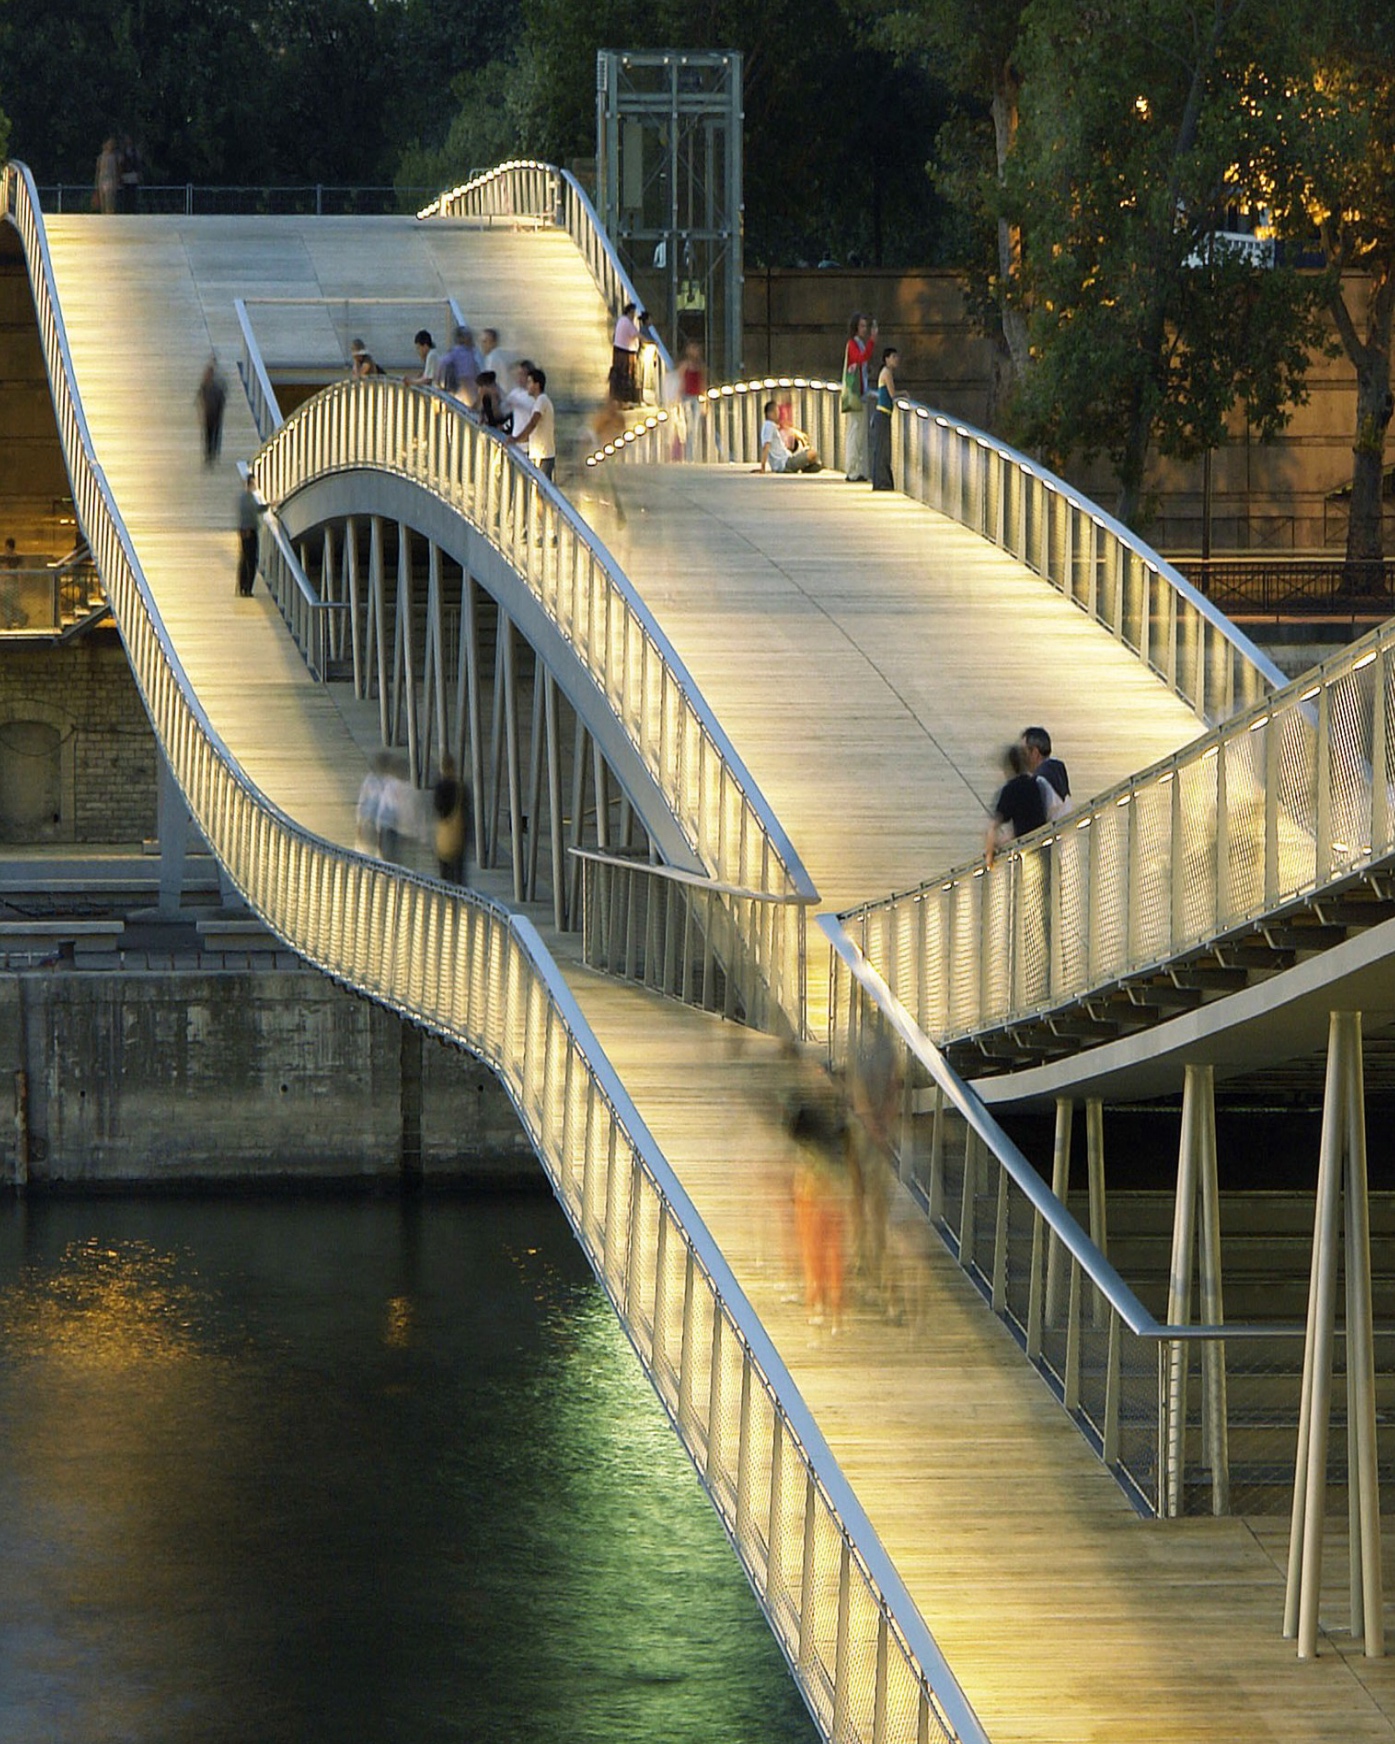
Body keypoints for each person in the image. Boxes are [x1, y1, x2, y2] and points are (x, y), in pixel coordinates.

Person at [986, 742, 1047, 868]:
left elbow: (993, 827)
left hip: (1025, 854)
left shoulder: (1010, 790)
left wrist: (989, 855)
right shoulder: (1035, 785)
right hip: (1044, 849)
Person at [842, 313, 877, 483]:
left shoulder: (859, 344)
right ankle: (852, 470)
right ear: (856, 327)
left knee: (861, 433)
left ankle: (860, 468)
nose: (864, 329)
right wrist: (872, 342)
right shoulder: (853, 344)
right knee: (855, 432)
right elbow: (860, 359)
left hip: (861, 393)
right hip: (855, 393)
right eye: (862, 326)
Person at [507, 366, 556, 481]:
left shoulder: (541, 400)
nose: (527, 385)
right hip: (538, 454)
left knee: (540, 491)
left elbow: (533, 423)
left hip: (543, 455)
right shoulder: (539, 401)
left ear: (537, 385)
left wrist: (516, 439)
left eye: (529, 382)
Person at [1022, 725, 1072, 819]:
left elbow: (1037, 818)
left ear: (1035, 753)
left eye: (1024, 753)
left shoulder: (1040, 781)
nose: (1022, 758)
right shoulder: (1058, 770)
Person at [432, 755, 468, 884]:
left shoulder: (439, 787)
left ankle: (446, 897)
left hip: (443, 837)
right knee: (458, 875)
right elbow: (466, 815)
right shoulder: (461, 789)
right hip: (458, 837)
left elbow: (437, 808)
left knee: (445, 874)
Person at [757, 401, 818, 474]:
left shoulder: (768, 426)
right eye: (776, 412)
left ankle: (803, 467)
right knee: (813, 453)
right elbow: (766, 446)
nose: (778, 414)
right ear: (770, 413)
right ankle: (803, 468)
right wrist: (762, 467)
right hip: (785, 463)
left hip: (784, 460)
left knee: (808, 454)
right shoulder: (769, 426)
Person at [870, 346, 898, 491]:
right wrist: (903, 394)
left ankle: (882, 481)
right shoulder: (886, 373)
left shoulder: (886, 372)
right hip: (882, 414)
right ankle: (882, 482)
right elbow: (892, 394)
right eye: (893, 357)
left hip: (884, 415)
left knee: (882, 450)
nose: (896, 360)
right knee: (882, 450)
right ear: (886, 359)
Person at [434, 325, 479, 405]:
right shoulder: (459, 352)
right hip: (464, 388)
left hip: (471, 387)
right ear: (461, 338)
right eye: (467, 336)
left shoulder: (472, 351)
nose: (470, 339)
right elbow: (442, 363)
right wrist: (437, 382)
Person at [196, 357, 227, 466]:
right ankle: (208, 456)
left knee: (214, 435)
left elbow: (222, 398)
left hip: (216, 414)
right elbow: (199, 397)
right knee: (208, 436)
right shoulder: (204, 387)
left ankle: (212, 454)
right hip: (208, 415)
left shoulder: (217, 386)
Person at [610, 302, 641, 404]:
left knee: (618, 375)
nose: (633, 316)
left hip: (618, 350)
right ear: (629, 312)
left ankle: (617, 398)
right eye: (633, 313)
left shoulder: (621, 320)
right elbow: (636, 334)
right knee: (626, 375)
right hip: (626, 352)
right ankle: (624, 400)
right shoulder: (627, 322)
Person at [236, 486, 259, 597]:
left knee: (244, 559)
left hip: (244, 531)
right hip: (250, 531)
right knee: (251, 561)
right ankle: (248, 588)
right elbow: (255, 510)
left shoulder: (242, 498)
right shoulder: (249, 499)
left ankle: (242, 587)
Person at [0, 538, 25, 630]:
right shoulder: (16, 558)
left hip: (9, 583)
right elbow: (20, 573)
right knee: (9, 603)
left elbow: (18, 573)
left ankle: (11, 621)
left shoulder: (6, 558)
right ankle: (17, 618)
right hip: (11, 583)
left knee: (8, 603)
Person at [94, 138, 120, 214]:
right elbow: (98, 171)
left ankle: (110, 217)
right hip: (102, 180)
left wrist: (117, 181)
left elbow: (116, 170)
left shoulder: (114, 157)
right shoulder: (100, 157)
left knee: (110, 202)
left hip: (111, 180)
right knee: (102, 203)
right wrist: (96, 184)